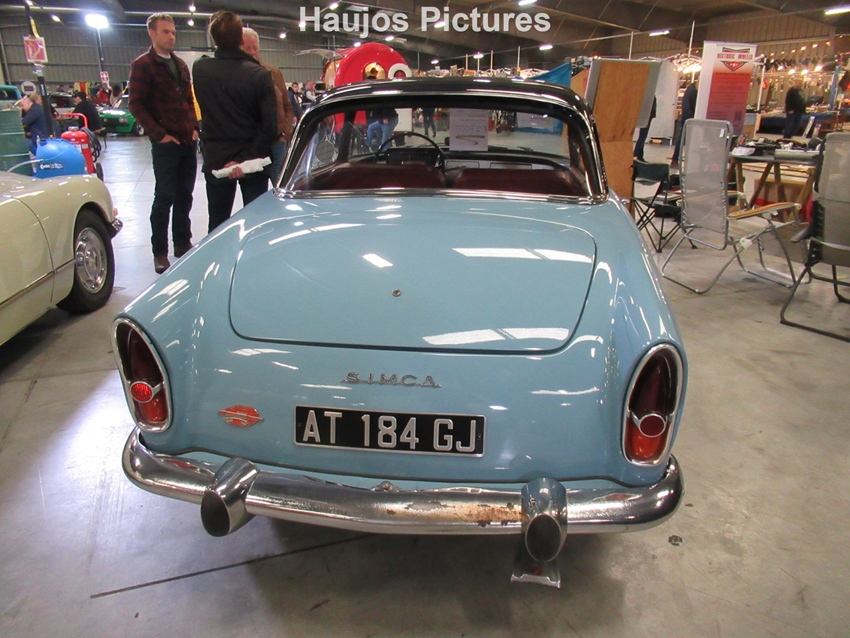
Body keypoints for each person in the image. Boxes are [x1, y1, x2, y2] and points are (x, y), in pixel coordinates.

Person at [193, 10, 278, 232]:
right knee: (256, 225)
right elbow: (270, 125)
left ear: (213, 38)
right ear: (241, 38)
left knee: (217, 225)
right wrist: (242, 159)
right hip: (253, 158)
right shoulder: (259, 75)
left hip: (217, 159)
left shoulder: (200, 69)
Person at [128, 13, 200, 274]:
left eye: (173, 32)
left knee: (185, 196)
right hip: (166, 145)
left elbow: (188, 100)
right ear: (152, 33)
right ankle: (159, 251)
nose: (171, 36)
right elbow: (135, 104)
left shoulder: (180, 65)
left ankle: (182, 242)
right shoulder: (143, 65)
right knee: (164, 197)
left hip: (187, 141)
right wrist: (159, 135)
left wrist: (194, 127)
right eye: (165, 32)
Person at [241, 27, 294, 185]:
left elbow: (287, 105)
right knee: (255, 191)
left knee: (281, 186)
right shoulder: (238, 75)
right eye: (247, 48)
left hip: (278, 142)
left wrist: (285, 134)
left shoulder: (273, 72)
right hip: (253, 146)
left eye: (255, 48)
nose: (252, 52)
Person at [671, 81, 697, 169]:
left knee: (685, 140)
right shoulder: (691, 90)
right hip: (689, 120)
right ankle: (675, 159)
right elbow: (686, 107)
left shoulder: (693, 90)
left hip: (692, 118)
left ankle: (679, 160)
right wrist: (691, 119)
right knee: (682, 139)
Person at [634, 96, 656, 162]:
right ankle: (637, 154)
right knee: (643, 135)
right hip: (647, 113)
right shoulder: (649, 94)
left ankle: (639, 154)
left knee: (643, 135)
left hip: (647, 113)